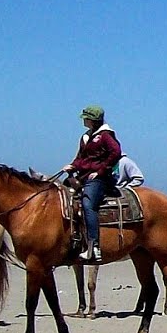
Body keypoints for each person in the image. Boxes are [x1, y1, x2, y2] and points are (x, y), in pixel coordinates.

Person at [66, 105, 122, 262]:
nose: (84, 120)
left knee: (88, 204)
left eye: (86, 118)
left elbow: (116, 152)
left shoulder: (105, 135)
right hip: (83, 176)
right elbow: (80, 158)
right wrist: (72, 165)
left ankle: (94, 246)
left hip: (99, 179)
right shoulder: (85, 137)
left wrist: (100, 171)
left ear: (92, 120)